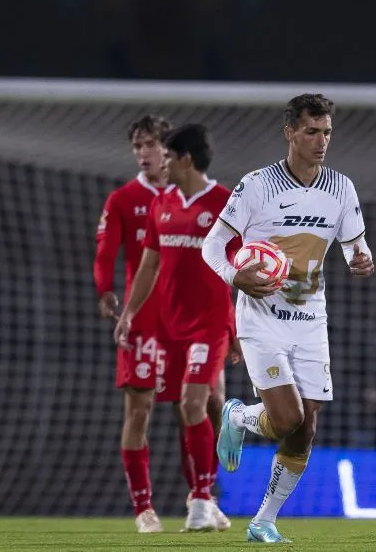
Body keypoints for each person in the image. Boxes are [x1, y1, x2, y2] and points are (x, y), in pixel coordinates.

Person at [202, 94, 375, 543]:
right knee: (286, 418)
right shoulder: (257, 185)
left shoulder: (342, 188)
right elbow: (212, 245)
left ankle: (264, 521)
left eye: (327, 132)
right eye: (312, 132)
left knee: (306, 426)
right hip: (261, 318)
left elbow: (354, 247)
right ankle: (239, 417)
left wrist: (360, 260)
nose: (322, 141)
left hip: (311, 320)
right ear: (290, 133)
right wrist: (234, 276)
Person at [94, 116, 231, 532]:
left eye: (156, 147)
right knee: (149, 409)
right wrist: (120, 305)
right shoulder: (144, 202)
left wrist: (239, 327)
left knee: (202, 404)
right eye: (138, 146)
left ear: (178, 156)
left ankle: (203, 496)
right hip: (158, 325)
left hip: (206, 323)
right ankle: (147, 507)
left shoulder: (225, 203)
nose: (148, 155)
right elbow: (137, 261)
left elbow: (242, 267)